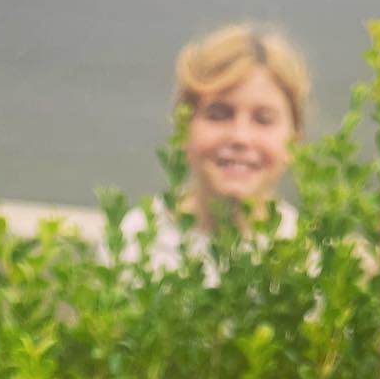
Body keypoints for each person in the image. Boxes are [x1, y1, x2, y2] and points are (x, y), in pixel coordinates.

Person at [120, 24, 311, 274]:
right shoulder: (135, 241)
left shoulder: (304, 256)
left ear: (294, 137)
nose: (240, 137)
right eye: (219, 114)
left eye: (263, 119)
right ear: (184, 125)